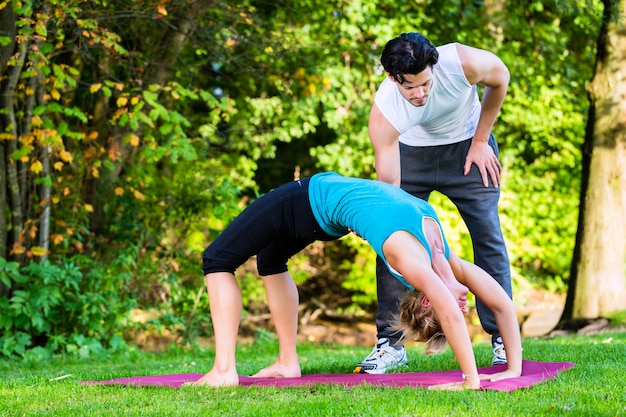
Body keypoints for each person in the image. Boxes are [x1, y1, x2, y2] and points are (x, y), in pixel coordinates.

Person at [195, 172, 522, 389]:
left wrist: (471, 379)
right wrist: (513, 370)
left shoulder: (415, 263)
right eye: (462, 309)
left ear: (427, 300)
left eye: (450, 308)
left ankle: (224, 370)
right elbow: (503, 304)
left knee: (218, 259)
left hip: (308, 201)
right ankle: (286, 362)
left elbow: (448, 313)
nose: (462, 309)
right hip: (323, 213)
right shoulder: (447, 259)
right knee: (270, 260)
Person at [355, 32, 512, 374]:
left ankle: (502, 338)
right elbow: (389, 194)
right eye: (409, 86)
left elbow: (501, 79)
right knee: (395, 240)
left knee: (487, 234)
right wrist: (384, 224)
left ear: (434, 66)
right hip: (410, 155)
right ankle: (391, 344)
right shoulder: (385, 113)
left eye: (425, 83)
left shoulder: (462, 62)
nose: (419, 93)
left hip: (469, 146)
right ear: (391, 77)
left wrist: (482, 140)